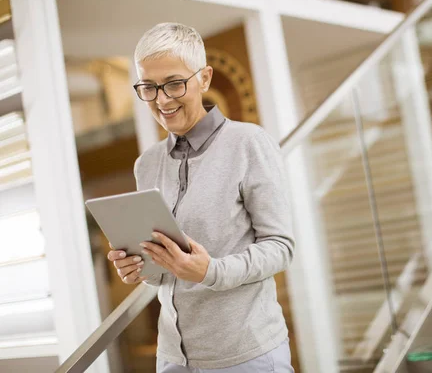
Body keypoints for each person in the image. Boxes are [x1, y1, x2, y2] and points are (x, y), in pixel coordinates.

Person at [107, 22, 296, 373]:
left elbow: (280, 246)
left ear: (204, 79)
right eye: (149, 87)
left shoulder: (248, 143)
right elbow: (165, 272)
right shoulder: (146, 164)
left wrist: (211, 271)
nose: (162, 100)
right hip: (173, 359)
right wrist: (138, 267)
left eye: (175, 84)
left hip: (246, 356)